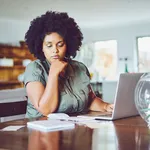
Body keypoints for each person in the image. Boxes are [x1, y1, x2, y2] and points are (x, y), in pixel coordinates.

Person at [24, 11, 113, 118]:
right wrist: (53, 74)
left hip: (73, 128)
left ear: (68, 44)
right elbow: (46, 110)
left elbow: (90, 100)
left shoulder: (80, 68)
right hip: (41, 131)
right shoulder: (34, 69)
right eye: (49, 45)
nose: (55, 50)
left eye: (60, 45)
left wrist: (106, 106)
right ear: (41, 47)